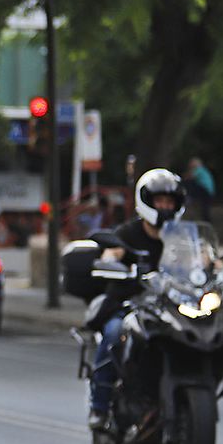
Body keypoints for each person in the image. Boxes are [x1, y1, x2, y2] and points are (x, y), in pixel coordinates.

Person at [87, 168, 185, 430]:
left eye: (169, 201)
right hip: (130, 305)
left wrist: (221, 270)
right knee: (114, 333)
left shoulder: (180, 237)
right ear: (147, 202)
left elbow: (205, 259)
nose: (165, 206)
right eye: (160, 201)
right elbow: (112, 253)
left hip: (171, 308)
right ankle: (99, 405)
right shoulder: (129, 233)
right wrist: (111, 262)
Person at [184, 156, 215, 221]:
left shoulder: (199, 169)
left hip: (205, 191)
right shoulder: (204, 170)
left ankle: (188, 198)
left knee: (188, 182)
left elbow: (190, 177)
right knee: (205, 208)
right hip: (208, 192)